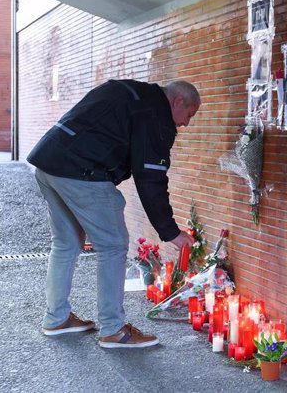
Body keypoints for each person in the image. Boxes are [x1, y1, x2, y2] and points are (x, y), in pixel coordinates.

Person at [27, 78, 200, 348]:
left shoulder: (130, 91)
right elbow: (150, 178)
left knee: (65, 243)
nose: (186, 124)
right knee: (114, 246)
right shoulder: (156, 114)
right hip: (83, 172)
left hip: (49, 162)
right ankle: (114, 330)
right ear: (178, 102)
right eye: (189, 115)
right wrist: (170, 231)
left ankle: (56, 318)